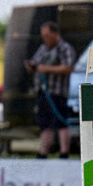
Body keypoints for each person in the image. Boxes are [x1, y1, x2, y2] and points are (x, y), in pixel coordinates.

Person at [23, 21, 76, 158]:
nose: (45, 38)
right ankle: (43, 152)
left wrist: (46, 69)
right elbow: (36, 63)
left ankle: (64, 153)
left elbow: (68, 68)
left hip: (58, 92)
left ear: (55, 34)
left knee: (61, 122)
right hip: (43, 93)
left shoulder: (64, 48)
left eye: (47, 35)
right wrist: (32, 66)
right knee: (45, 125)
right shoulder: (43, 48)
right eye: (43, 36)